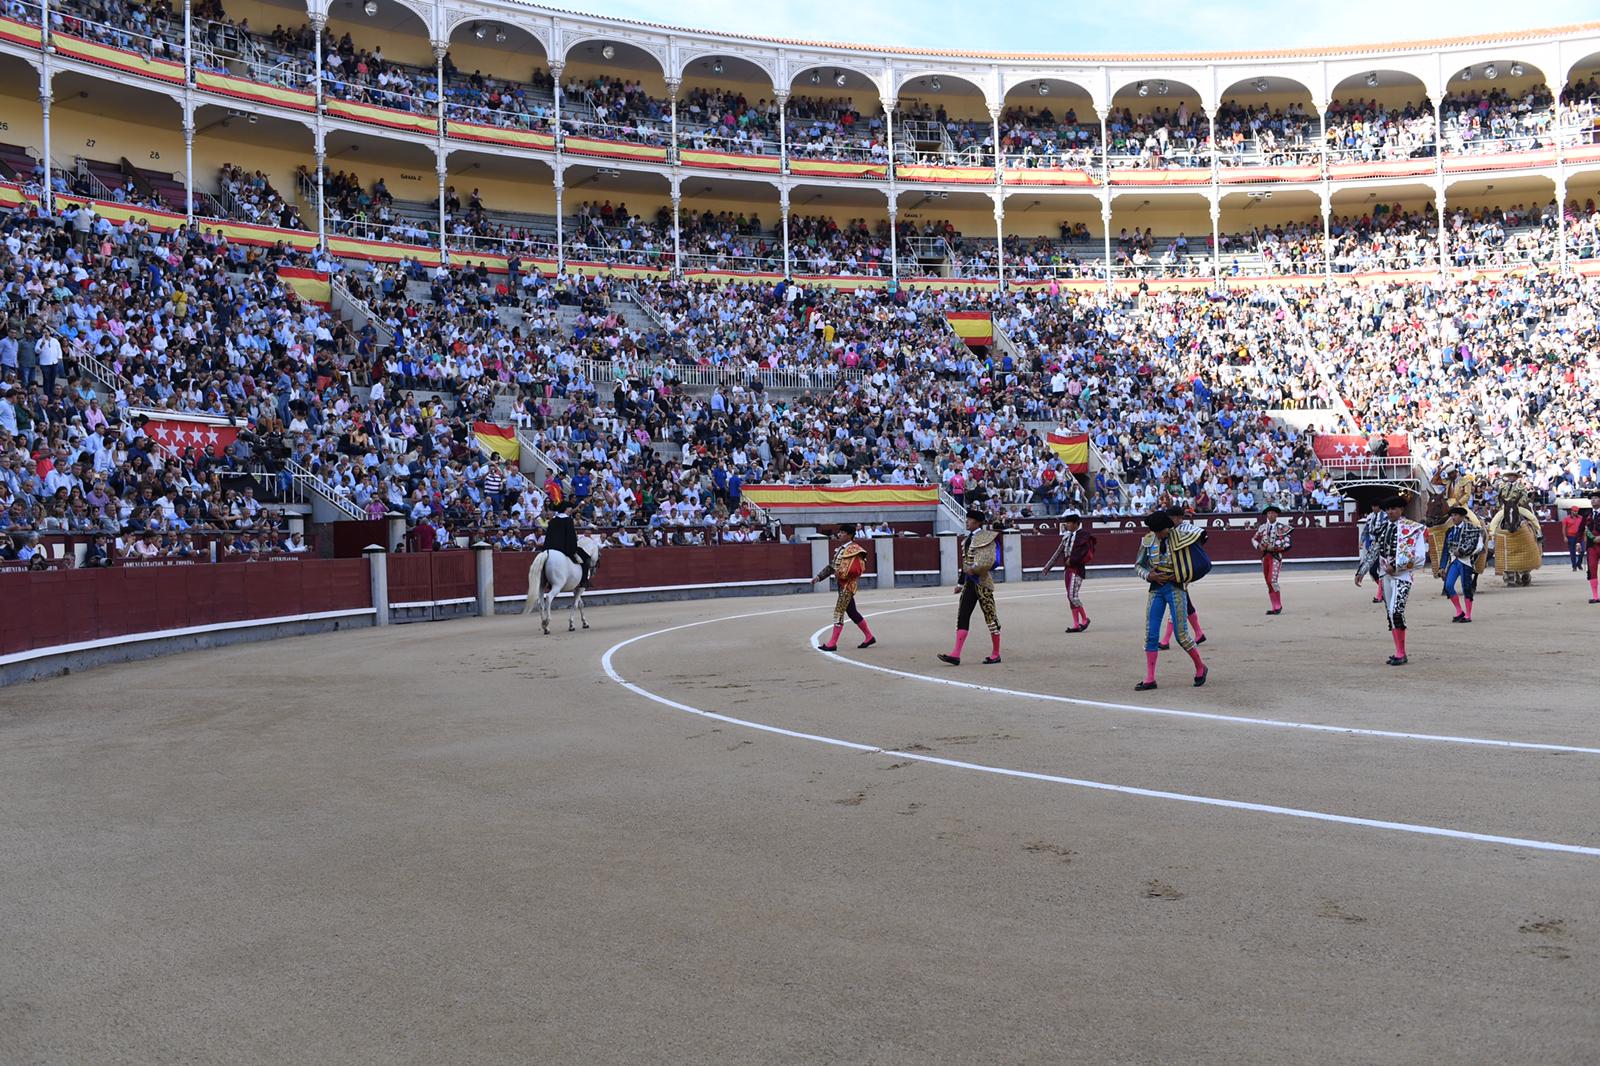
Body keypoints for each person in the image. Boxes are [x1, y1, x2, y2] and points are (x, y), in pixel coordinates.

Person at [1133, 511, 1208, 691]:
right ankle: (1150, 678)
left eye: (1162, 531)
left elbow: (1201, 562)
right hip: (1156, 589)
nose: (1159, 534)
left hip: (1176, 588)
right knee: (1151, 634)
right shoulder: (1148, 540)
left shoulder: (1182, 537)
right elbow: (1138, 565)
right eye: (1157, 531)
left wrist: (1182, 575)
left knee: (1181, 635)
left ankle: (1200, 666)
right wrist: (1149, 575)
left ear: (1168, 527)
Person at [1355, 495, 1428, 666]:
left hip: (1402, 576)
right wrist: (1362, 570)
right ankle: (1399, 652)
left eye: (1394, 508)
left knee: (1396, 611)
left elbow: (1419, 558)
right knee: (1390, 613)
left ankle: (1401, 653)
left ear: (1401, 509)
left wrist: (1397, 567)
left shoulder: (1413, 529)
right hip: (1385, 575)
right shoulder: (1383, 528)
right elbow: (1375, 550)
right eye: (1388, 509)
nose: (1390, 512)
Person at [938, 506, 1002, 666]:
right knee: (963, 616)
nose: (966, 522)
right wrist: (961, 582)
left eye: (969, 520)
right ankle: (956, 654)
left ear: (977, 522)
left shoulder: (986, 537)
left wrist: (975, 569)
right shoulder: (968, 539)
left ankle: (996, 653)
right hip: (969, 584)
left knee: (990, 617)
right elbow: (965, 563)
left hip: (982, 583)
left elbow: (989, 561)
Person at [814, 523, 874, 651]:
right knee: (852, 612)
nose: (839, 535)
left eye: (842, 533)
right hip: (842, 585)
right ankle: (869, 637)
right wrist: (819, 577)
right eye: (839, 532)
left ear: (850, 535)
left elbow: (857, 570)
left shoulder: (855, 549)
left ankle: (832, 643)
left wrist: (841, 573)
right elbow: (832, 566)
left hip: (847, 585)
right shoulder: (841, 549)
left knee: (839, 612)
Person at [1158, 504, 1207, 649]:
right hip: (1176, 571)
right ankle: (1199, 633)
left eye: (1171, 517)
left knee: (1176, 602)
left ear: (1179, 518)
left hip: (1182, 572)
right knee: (1185, 602)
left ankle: (1166, 640)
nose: (1169, 520)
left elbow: (1202, 538)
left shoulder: (1186, 530)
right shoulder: (1173, 530)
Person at [1041, 512, 1095, 632]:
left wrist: (1073, 560)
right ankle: (1076, 624)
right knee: (1070, 597)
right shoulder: (1066, 537)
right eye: (1066, 523)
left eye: (1069, 523)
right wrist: (1047, 567)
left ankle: (1085, 619)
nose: (1067, 525)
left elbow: (1085, 554)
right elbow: (1058, 552)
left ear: (1076, 524)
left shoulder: (1084, 536)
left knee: (1072, 596)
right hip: (1068, 571)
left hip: (1077, 570)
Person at [1441, 505, 1484, 623]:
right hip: (1454, 561)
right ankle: (1459, 611)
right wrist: (1442, 566)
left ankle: (1468, 615)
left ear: (1462, 516)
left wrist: (1463, 551)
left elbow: (1476, 545)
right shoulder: (1449, 531)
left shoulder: (1472, 528)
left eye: (1455, 515)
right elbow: (1445, 549)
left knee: (1466, 587)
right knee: (1448, 586)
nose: (1452, 518)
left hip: (1465, 561)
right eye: (1451, 515)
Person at [1250, 504, 1293, 615]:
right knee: (1268, 582)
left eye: (1273, 513)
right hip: (1265, 557)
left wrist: (1275, 548)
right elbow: (1253, 539)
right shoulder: (1262, 527)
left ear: (1277, 515)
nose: (1271, 515)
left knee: (1272, 581)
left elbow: (1288, 544)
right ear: (1267, 515)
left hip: (1275, 557)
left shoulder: (1282, 527)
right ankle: (1274, 607)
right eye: (1269, 513)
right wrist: (1259, 546)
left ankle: (1278, 606)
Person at [542, 498, 592, 587]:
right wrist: (573, 549)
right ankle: (584, 581)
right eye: (569, 508)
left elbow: (549, 536)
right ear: (566, 509)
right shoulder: (568, 520)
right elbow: (571, 537)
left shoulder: (553, 520)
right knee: (587, 558)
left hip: (550, 548)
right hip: (564, 548)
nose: (571, 510)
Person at [1586, 494, 1600, 604]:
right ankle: (1595, 596)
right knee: (1592, 569)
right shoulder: (1587, 514)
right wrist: (1578, 543)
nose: (1593, 499)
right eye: (1592, 498)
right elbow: (1582, 529)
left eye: (1595, 498)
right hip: (1592, 546)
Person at [1563, 506, 1585, 571]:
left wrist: (1585, 536)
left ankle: (1578, 563)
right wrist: (1565, 536)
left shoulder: (1581, 518)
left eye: (1576, 511)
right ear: (1571, 511)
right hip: (1571, 536)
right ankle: (1574, 566)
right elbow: (1564, 528)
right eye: (1574, 511)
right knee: (1572, 552)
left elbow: (1584, 527)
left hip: (1580, 536)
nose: (1575, 512)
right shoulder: (1566, 518)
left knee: (1582, 550)